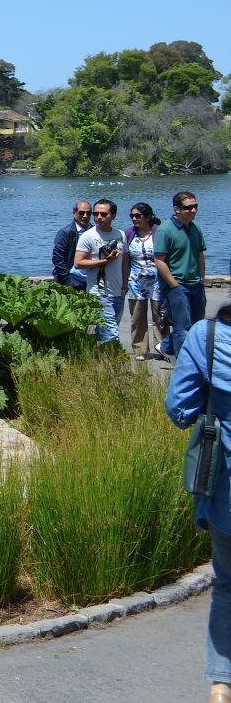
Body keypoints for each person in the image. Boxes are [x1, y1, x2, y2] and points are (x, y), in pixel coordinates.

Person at [163, 299, 231, 702]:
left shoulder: (206, 338)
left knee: (227, 583)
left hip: (225, 489)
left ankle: (222, 683)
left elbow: (179, 409)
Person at [157, 191, 209, 359]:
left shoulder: (195, 228)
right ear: (177, 209)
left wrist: (201, 279)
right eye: (188, 207)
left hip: (196, 284)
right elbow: (159, 261)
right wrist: (174, 285)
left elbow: (200, 255)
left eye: (195, 206)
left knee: (198, 325)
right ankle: (182, 364)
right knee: (182, 327)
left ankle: (165, 345)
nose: (193, 210)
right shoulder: (165, 230)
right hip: (177, 285)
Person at [74, 198, 126, 344]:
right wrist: (104, 261)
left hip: (118, 292)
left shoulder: (120, 235)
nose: (98, 218)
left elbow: (125, 261)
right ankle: (115, 364)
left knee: (101, 333)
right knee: (111, 335)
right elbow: (78, 263)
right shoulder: (88, 236)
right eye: (96, 214)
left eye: (103, 214)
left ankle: (93, 362)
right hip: (99, 293)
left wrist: (125, 285)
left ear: (113, 216)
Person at [126, 203, 169, 359]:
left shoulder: (159, 232)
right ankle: (140, 349)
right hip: (136, 282)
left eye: (138, 216)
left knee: (160, 317)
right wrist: (124, 282)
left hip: (158, 281)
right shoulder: (130, 233)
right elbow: (125, 259)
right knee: (137, 318)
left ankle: (163, 348)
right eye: (132, 216)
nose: (134, 219)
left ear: (148, 216)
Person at [52, 199, 93, 289]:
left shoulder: (95, 232)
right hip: (73, 280)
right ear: (74, 213)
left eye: (88, 213)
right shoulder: (65, 233)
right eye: (81, 213)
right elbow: (58, 259)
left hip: (91, 281)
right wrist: (68, 281)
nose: (85, 216)